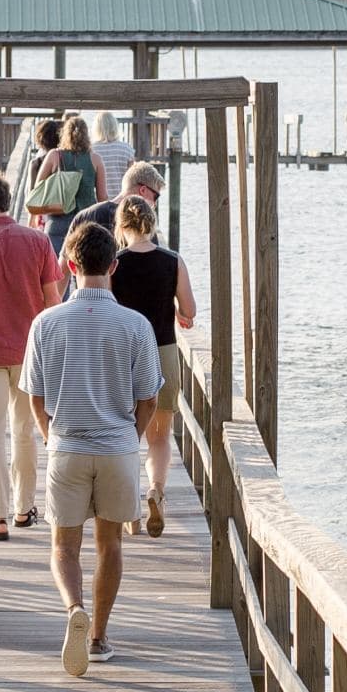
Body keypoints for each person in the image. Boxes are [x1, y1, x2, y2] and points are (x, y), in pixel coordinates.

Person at [20, 219, 161, 674]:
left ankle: (72, 610)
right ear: (114, 265)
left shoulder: (45, 324)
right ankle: (98, 637)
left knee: (64, 548)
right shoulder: (136, 325)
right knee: (110, 546)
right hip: (118, 447)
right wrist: (130, 439)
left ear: (69, 263)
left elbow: (36, 395)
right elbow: (149, 398)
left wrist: (49, 436)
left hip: (67, 446)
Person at [0, 172, 60, 539]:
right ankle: (24, 509)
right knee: (24, 432)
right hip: (30, 353)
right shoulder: (38, 241)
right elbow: (53, 302)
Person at [111, 192, 196, 538]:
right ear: (151, 223)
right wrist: (175, 311)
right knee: (160, 438)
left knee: (124, 435)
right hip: (162, 353)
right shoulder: (172, 260)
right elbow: (189, 311)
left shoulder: (114, 263)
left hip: (123, 356)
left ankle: (129, 508)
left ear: (121, 226)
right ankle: (156, 492)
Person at [33, 113, 100, 255]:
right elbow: (102, 196)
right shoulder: (95, 159)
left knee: (56, 271)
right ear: (87, 135)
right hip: (86, 221)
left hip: (57, 220)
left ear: (64, 134)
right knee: (82, 269)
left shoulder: (54, 155)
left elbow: (38, 187)